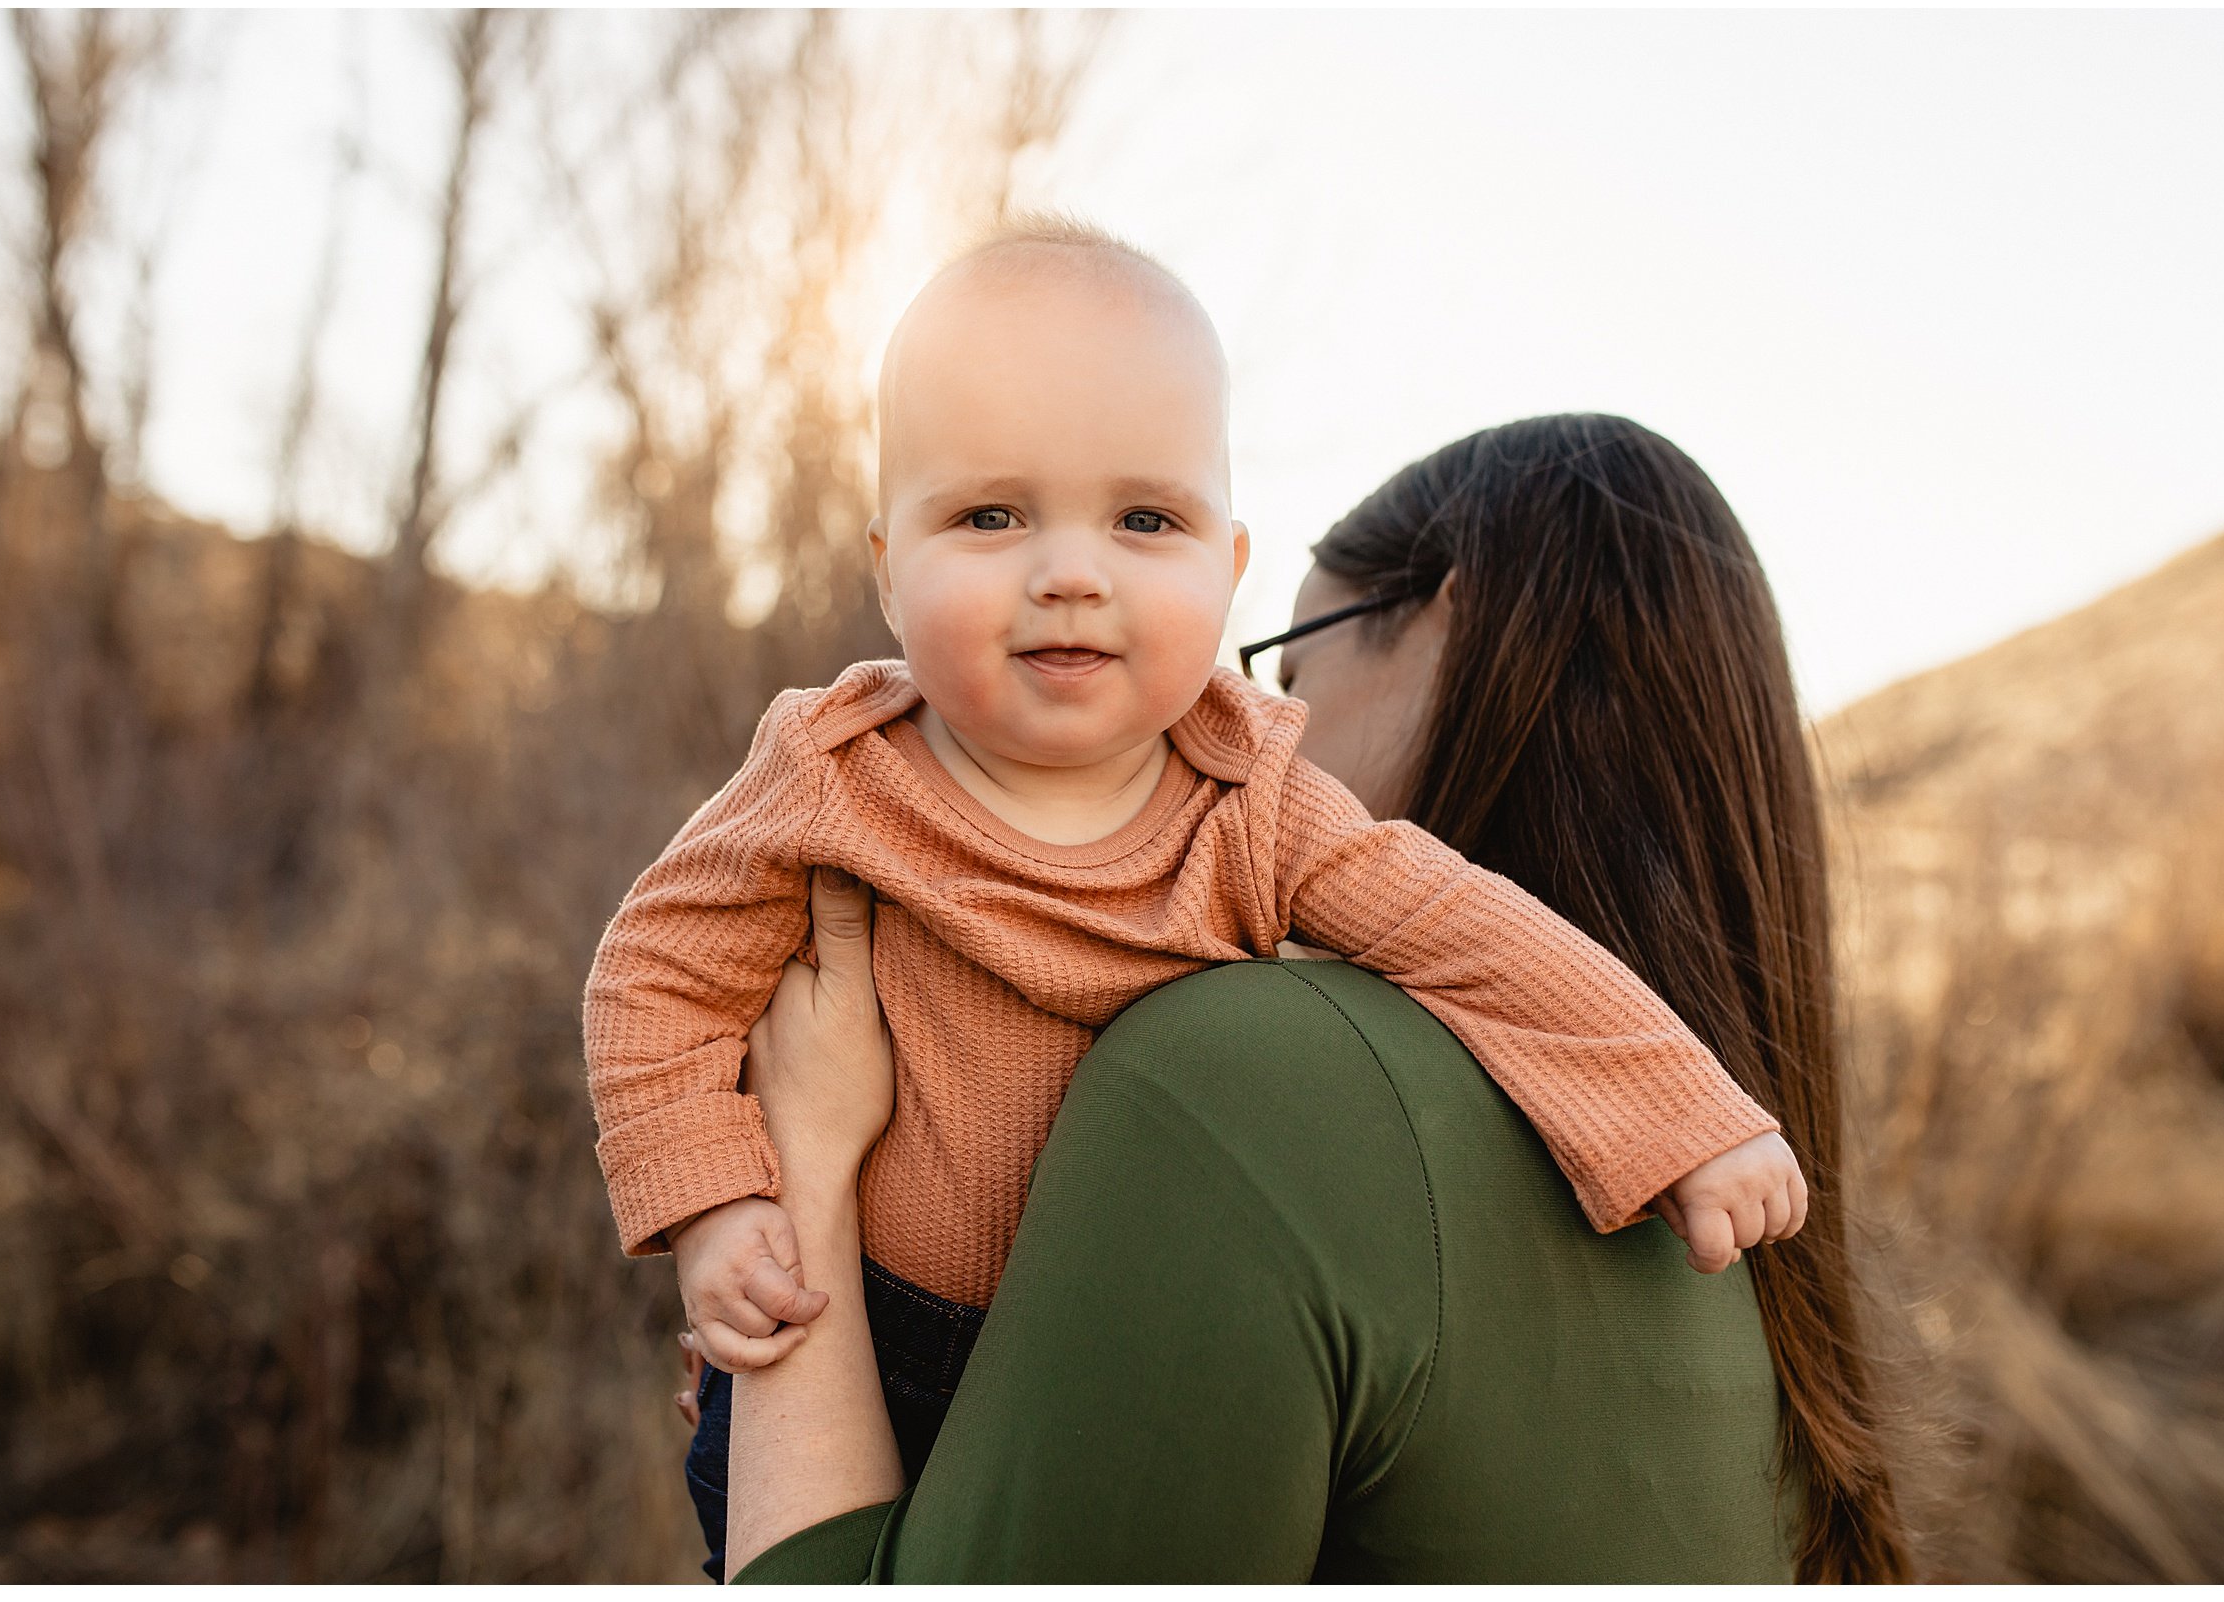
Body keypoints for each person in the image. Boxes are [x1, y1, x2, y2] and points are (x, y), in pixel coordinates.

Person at [582, 220, 1806, 1578]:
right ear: (886, 563)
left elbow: (1468, 930)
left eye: (1143, 519)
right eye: (989, 515)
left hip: (1086, 1350)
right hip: (863, 1313)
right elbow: (654, 975)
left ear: (1226, 569)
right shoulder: (833, 770)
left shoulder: (1256, 804)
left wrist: (1682, 1111)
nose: (1068, 569)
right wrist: (717, 1208)